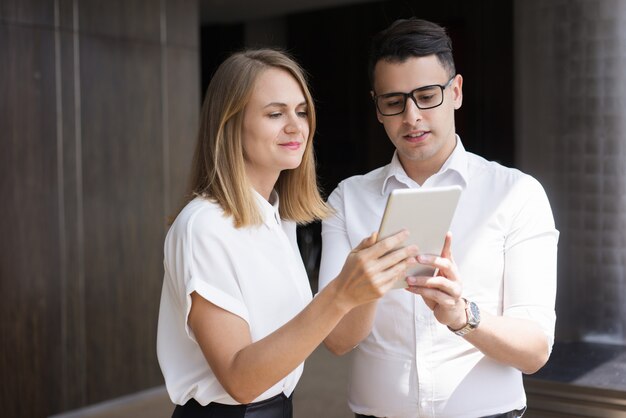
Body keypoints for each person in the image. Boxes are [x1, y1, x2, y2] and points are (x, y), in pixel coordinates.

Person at [156, 48, 419, 418]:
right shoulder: (204, 226)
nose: (296, 127)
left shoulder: (278, 219)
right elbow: (240, 379)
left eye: (301, 111)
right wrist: (340, 294)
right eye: (275, 113)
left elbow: (332, 339)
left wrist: (370, 286)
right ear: (230, 124)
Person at [319, 18, 559, 418]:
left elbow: (535, 351)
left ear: (456, 92)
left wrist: (465, 317)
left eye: (427, 96)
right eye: (394, 102)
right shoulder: (348, 199)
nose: (411, 117)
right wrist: (367, 287)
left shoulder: (517, 193)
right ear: (378, 108)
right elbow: (337, 342)